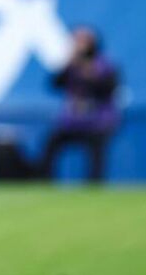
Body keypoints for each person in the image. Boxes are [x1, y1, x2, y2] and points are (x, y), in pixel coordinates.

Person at [38, 26, 121, 182]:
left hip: (99, 122)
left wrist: (91, 76)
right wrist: (67, 64)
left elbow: (109, 89)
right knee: (52, 142)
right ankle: (45, 180)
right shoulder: (71, 65)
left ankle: (94, 184)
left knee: (96, 152)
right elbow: (55, 84)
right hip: (74, 121)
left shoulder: (104, 65)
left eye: (83, 40)